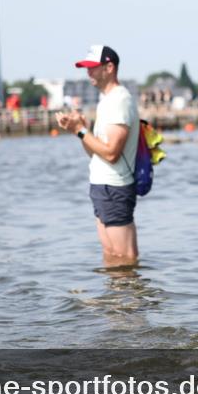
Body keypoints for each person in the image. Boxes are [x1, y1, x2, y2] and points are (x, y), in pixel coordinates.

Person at [56, 45, 141, 266]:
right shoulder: (106, 101)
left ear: (109, 67)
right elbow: (96, 154)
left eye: (93, 68)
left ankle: (130, 300)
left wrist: (81, 131)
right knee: (112, 256)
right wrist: (81, 132)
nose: (88, 73)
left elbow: (112, 153)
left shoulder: (119, 100)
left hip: (115, 187)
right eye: (86, 68)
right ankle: (114, 300)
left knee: (125, 259)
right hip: (102, 187)